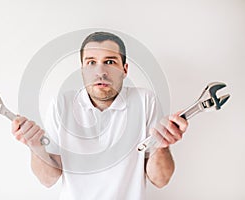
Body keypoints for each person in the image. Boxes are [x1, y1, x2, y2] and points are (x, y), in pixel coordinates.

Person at [11, 32, 188, 200]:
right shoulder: (62, 103)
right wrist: (35, 146)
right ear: (82, 70)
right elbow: (48, 179)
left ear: (124, 70)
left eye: (110, 62)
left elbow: (160, 179)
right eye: (91, 62)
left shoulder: (145, 100)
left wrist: (162, 146)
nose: (100, 71)